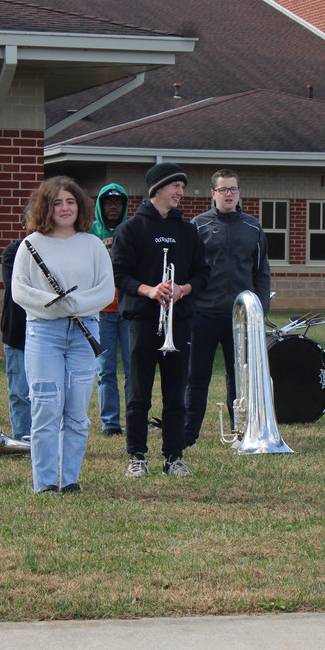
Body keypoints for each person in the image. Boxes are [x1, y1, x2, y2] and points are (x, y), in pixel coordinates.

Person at [11, 176, 114, 494]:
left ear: (80, 205)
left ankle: (69, 480)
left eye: (70, 201)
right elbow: (19, 291)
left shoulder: (93, 245)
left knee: (76, 410)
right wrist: (53, 305)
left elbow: (106, 291)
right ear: (46, 207)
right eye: (57, 202)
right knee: (46, 404)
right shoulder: (31, 245)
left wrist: (76, 303)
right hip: (44, 331)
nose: (65, 207)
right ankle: (44, 482)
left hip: (85, 332)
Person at [112, 161, 210, 477]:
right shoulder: (130, 229)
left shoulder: (187, 230)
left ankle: (173, 457)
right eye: (175, 186)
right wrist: (150, 291)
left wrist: (183, 288)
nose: (181, 192)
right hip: (143, 320)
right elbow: (120, 274)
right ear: (157, 188)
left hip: (179, 322)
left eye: (182, 186)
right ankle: (136, 456)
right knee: (138, 392)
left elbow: (203, 273)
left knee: (175, 394)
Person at [184, 169, 270, 447]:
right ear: (213, 194)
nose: (229, 194)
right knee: (197, 377)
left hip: (241, 318)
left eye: (233, 189)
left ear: (239, 192)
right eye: (223, 190)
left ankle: (240, 433)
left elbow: (261, 272)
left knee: (240, 379)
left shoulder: (253, 227)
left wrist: (260, 309)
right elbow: (188, 271)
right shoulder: (197, 226)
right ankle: (189, 434)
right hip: (203, 313)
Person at [91, 184, 131, 436]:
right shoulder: (89, 232)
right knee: (105, 369)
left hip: (128, 310)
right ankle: (110, 423)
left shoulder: (131, 230)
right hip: (101, 312)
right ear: (101, 206)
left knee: (132, 369)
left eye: (117, 202)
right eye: (108, 202)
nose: (113, 207)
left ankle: (135, 418)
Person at [0, 206, 31, 441]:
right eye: (31, 221)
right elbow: (17, 289)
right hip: (17, 330)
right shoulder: (12, 251)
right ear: (23, 225)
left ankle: (42, 436)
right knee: (20, 391)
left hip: (48, 333)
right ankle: (21, 438)